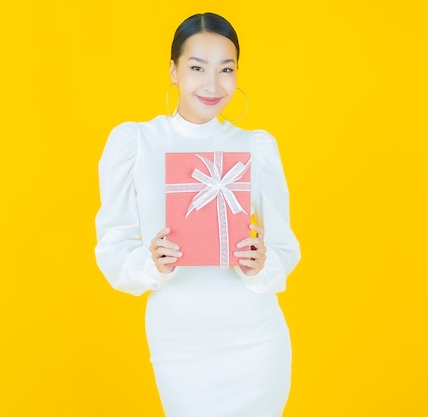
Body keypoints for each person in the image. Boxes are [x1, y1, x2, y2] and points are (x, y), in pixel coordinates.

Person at [94, 12, 301, 417]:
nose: (212, 84)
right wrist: (150, 262)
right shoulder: (134, 143)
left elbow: (284, 248)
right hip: (179, 342)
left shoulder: (256, 147)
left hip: (255, 341)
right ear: (173, 71)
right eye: (196, 68)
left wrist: (261, 263)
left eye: (227, 69)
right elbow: (113, 250)